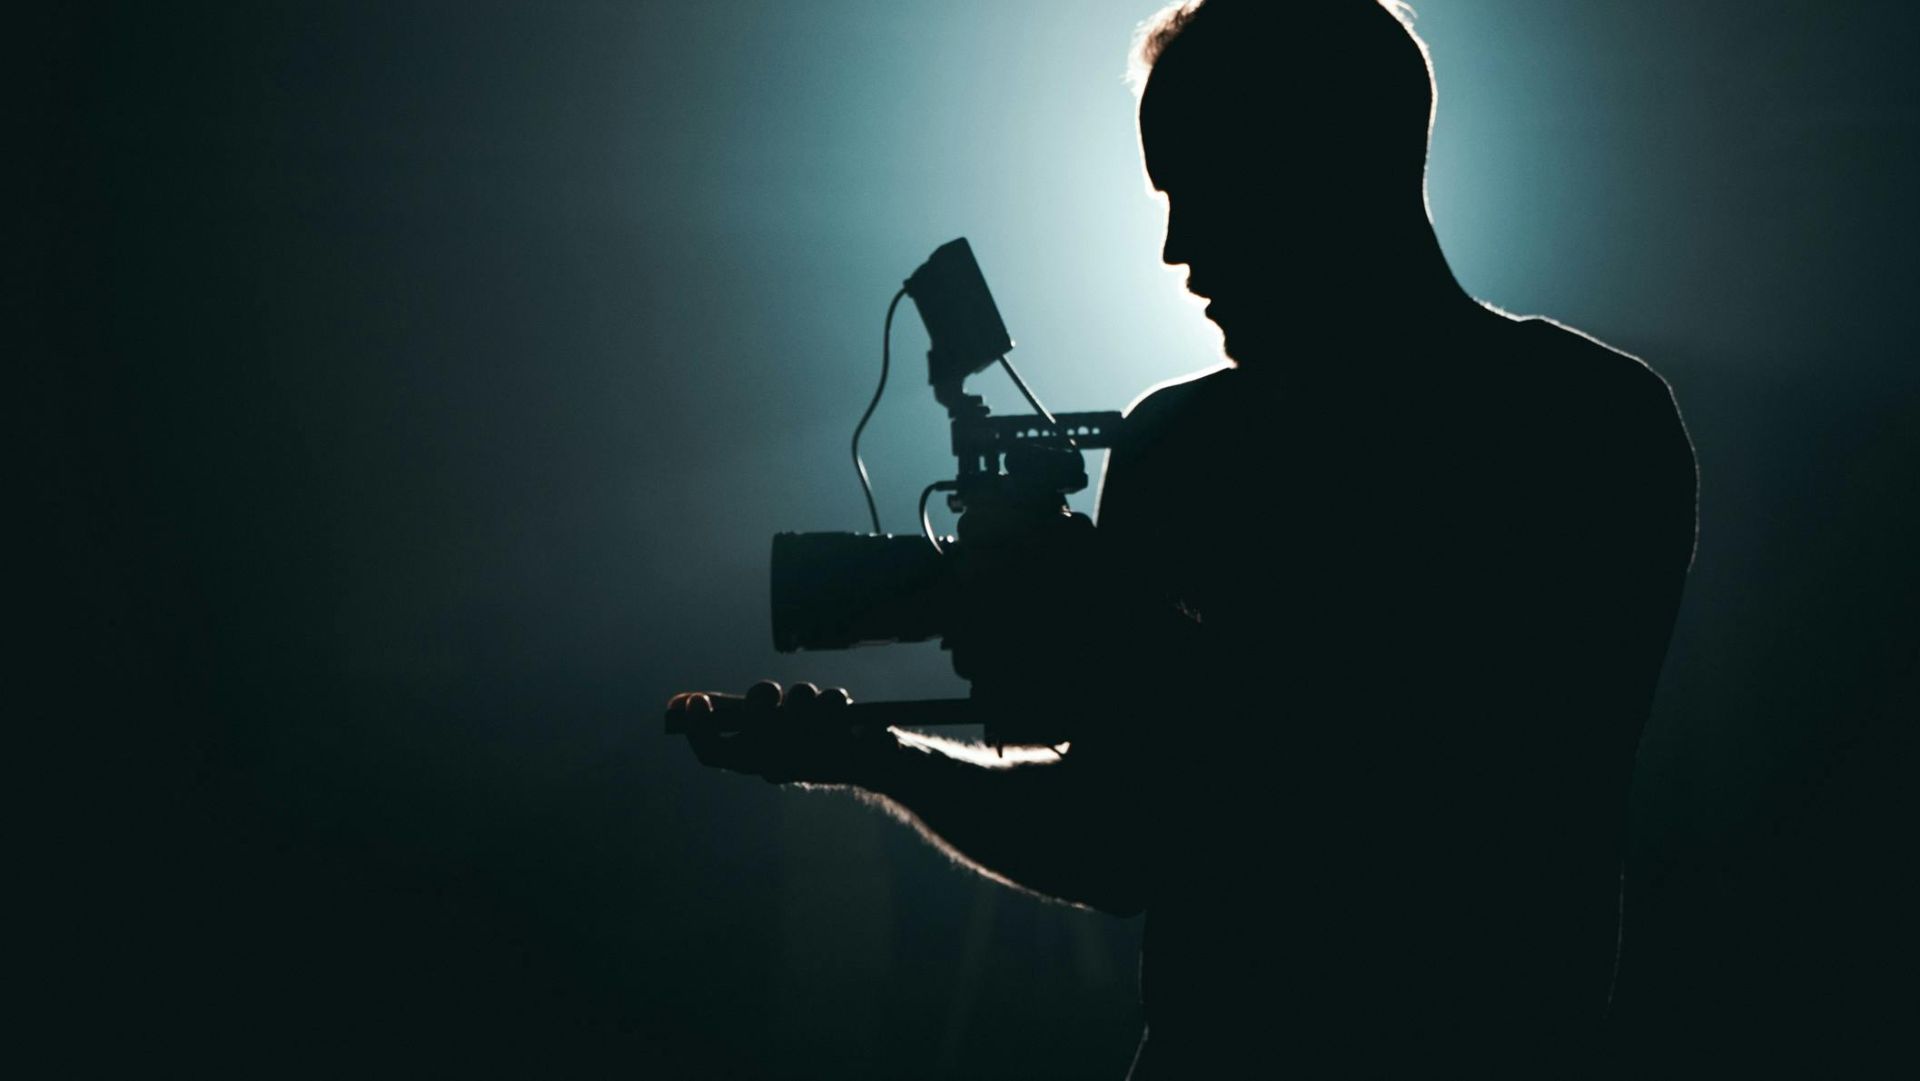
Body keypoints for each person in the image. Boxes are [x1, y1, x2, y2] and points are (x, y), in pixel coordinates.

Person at [670, 2, 1697, 1075]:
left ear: (1330, 164)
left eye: (1201, 188)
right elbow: (1116, 835)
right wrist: (870, 757)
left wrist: (1117, 630)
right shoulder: (1180, 444)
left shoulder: (1585, 431)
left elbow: (1462, 793)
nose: (1175, 247)